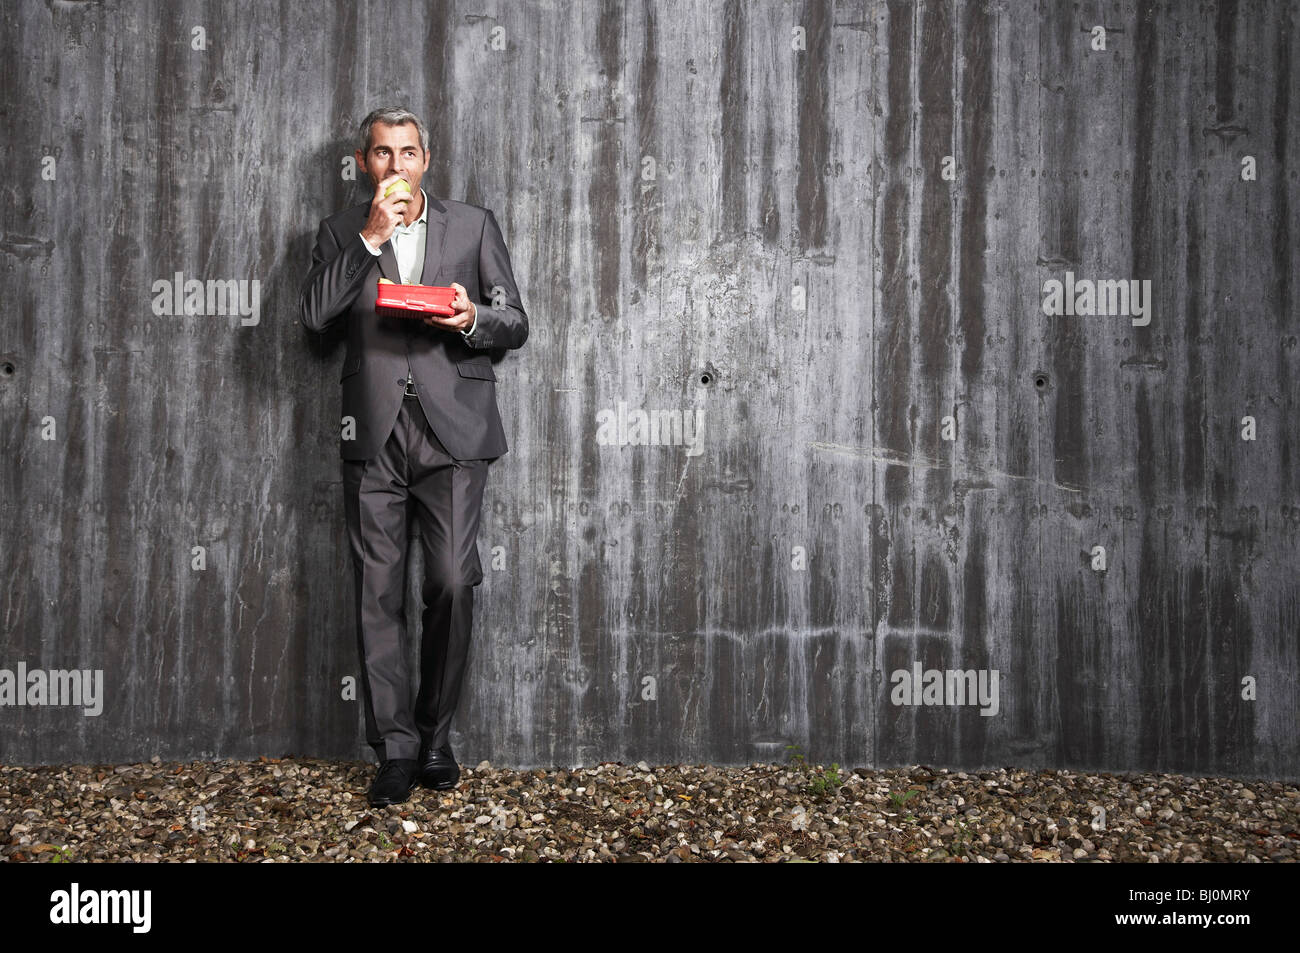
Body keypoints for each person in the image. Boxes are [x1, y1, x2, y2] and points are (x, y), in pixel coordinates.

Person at [299, 106, 527, 806]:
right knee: (377, 593)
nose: (395, 166)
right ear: (365, 164)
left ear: (426, 159)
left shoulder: (473, 224)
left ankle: (436, 736)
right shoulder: (341, 231)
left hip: (452, 429)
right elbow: (313, 319)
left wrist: (473, 318)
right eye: (381, 154)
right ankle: (395, 747)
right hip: (371, 432)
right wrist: (369, 239)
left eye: (406, 153)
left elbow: (514, 320)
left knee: (453, 582)